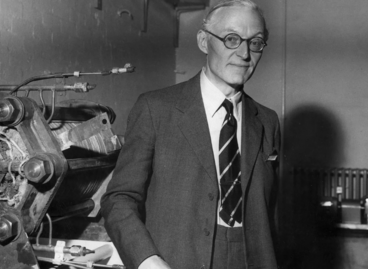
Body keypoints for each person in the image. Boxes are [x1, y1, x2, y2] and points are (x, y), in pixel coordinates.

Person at [101, 1, 280, 268]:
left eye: (255, 43)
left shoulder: (267, 120)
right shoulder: (156, 109)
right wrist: (147, 260)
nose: (244, 53)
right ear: (204, 41)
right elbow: (119, 199)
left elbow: (270, 211)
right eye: (232, 39)